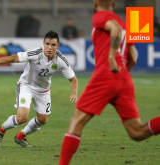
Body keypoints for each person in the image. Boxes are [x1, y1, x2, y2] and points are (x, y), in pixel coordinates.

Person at [59, 0, 160, 164]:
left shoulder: (100, 16)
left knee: (76, 122)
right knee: (137, 133)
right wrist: (120, 76)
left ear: (95, 2)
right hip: (124, 79)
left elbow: (115, 29)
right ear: (113, 4)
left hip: (105, 76)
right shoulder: (126, 23)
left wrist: (112, 57)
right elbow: (133, 58)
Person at [0, 31, 78, 148]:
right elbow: (13, 58)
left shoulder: (61, 60)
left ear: (58, 46)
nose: (49, 47)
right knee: (22, 117)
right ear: (43, 43)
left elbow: (73, 80)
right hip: (26, 86)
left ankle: (20, 136)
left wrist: (74, 93)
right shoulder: (36, 53)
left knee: (43, 120)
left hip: (43, 90)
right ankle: (1, 130)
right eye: (47, 43)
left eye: (53, 45)